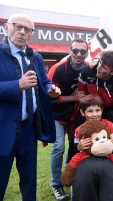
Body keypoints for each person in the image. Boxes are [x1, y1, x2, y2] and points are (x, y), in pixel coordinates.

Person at [0, 13, 61, 200]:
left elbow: (43, 80)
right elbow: (20, 84)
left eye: (27, 29)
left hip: (28, 127)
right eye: (17, 26)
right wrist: (16, 85)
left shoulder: (35, 56)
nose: (22, 32)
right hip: (3, 128)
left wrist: (51, 89)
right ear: (6, 27)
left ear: (31, 34)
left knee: (29, 179)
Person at [47, 38, 89, 201]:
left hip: (76, 114)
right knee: (58, 146)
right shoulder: (58, 69)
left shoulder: (87, 68)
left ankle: (68, 175)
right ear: (69, 51)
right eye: (75, 50)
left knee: (74, 145)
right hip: (57, 113)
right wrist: (73, 98)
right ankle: (56, 184)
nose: (79, 54)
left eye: (83, 51)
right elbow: (49, 98)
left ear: (86, 53)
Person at [72, 94, 113, 201]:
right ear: (82, 113)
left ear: (102, 110)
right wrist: (79, 146)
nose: (94, 114)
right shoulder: (79, 130)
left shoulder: (109, 125)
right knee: (84, 182)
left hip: (108, 159)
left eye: (97, 110)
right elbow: (74, 150)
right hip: (86, 161)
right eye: (90, 111)